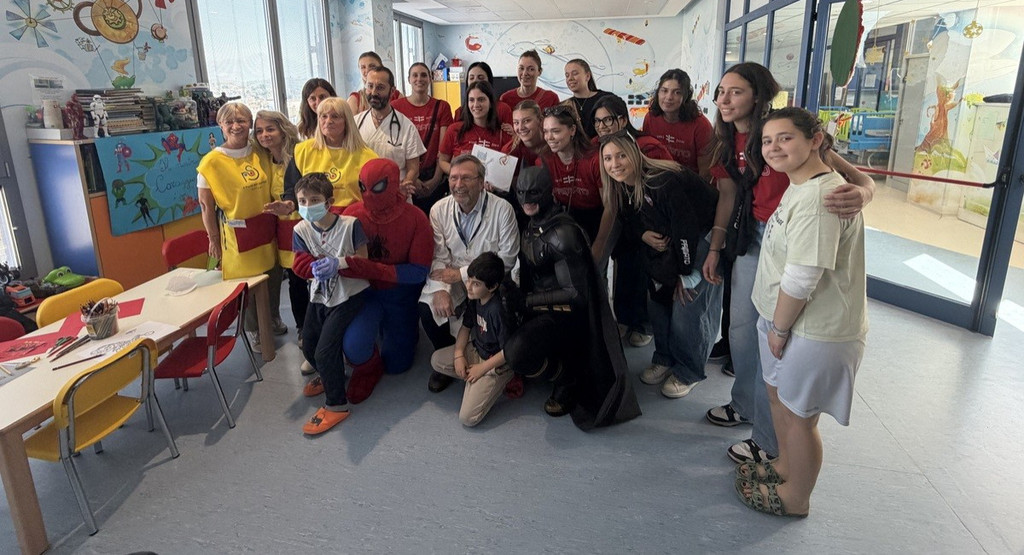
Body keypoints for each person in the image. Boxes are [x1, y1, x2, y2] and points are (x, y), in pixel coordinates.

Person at [702, 62, 875, 466]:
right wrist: (715, 246)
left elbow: (858, 179)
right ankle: (744, 405)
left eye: (735, 92)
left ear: (758, 96)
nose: (724, 100)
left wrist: (865, 194)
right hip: (754, 234)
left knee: (779, 336)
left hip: (794, 235)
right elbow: (728, 195)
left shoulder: (787, 132)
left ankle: (767, 439)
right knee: (744, 330)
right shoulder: (727, 140)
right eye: (721, 92)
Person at [735, 107, 867, 517]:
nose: (773, 147)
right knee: (780, 401)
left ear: (815, 140)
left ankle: (797, 497)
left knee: (800, 417)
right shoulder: (801, 183)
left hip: (812, 329)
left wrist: (778, 329)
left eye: (785, 137)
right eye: (767, 140)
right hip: (787, 322)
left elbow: (802, 277)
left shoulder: (820, 199)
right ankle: (785, 466)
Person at [503, 166, 640, 429]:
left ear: (548, 191)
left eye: (534, 192)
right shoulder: (530, 223)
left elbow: (574, 293)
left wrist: (527, 302)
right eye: (521, 192)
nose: (526, 199)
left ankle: (566, 377)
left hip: (566, 316)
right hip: (538, 304)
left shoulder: (562, 234)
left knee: (516, 352)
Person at [600, 132, 722, 399]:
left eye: (621, 155)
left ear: (635, 154)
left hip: (699, 237)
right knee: (657, 298)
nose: (615, 164)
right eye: (608, 158)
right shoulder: (622, 185)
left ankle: (688, 370)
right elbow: (630, 220)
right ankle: (664, 357)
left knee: (687, 303)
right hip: (667, 240)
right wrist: (642, 233)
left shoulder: (662, 181)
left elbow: (686, 230)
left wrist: (683, 273)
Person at [420, 154, 519, 393]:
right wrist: (441, 291)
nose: (458, 184)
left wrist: (463, 274)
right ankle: (449, 357)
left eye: (466, 178)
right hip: (450, 274)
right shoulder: (439, 209)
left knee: (496, 314)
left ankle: (491, 360)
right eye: (453, 178)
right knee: (428, 307)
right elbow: (439, 256)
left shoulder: (502, 209)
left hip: (490, 280)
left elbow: (507, 258)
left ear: (481, 181)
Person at [290, 173, 373, 435]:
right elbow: (299, 262)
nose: (307, 205)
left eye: (314, 200)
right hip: (321, 294)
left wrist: (340, 263)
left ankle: (337, 405)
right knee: (309, 344)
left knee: (325, 351)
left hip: (350, 293)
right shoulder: (300, 229)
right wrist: (311, 268)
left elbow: (364, 261)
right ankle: (330, 374)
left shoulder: (351, 225)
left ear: (329, 202)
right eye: (302, 201)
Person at [196, 102, 280, 352]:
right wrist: (213, 239)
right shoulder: (211, 162)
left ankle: (272, 318)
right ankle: (255, 330)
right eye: (229, 122)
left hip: (266, 225)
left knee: (273, 275)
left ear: (250, 123)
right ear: (220, 126)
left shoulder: (260, 151)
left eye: (242, 120)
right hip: (237, 231)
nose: (236, 126)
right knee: (248, 284)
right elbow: (206, 206)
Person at [591, 94, 671, 349]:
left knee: (642, 267)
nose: (602, 126)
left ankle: (643, 323)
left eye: (608, 120)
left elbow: (664, 189)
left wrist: (645, 229)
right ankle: (625, 318)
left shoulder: (647, 146)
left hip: (651, 216)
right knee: (624, 264)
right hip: (623, 215)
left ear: (623, 120)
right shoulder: (596, 146)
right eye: (597, 121)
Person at [340, 159, 433, 376]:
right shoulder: (352, 215)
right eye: (363, 187)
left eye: (377, 187)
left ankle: (405, 330)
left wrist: (373, 269)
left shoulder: (416, 219)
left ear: (393, 184)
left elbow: (419, 271)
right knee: (354, 349)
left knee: (397, 365)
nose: (369, 194)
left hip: (400, 295)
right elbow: (340, 258)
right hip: (363, 293)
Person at [429, 252, 517, 427]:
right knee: (436, 360)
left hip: (496, 362)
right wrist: (459, 355)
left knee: (467, 418)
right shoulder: (475, 299)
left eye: (476, 284)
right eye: (469, 280)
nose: (468, 287)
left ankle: (496, 379)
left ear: (492, 287)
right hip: (478, 349)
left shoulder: (498, 311)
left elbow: (508, 351)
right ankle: (474, 379)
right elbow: (466, 327)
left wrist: (481, 369)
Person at [252, 110, 304, 354]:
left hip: (302, 225)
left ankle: (311, 327)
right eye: (259, 131)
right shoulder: (262, 160)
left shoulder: (299, 154)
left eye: (270, 129)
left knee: (305, 278)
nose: (265, 135)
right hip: (280, 230)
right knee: (294, 281)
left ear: (283, 130)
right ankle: (301, 326)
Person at [284, 97, 378, 213]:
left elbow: (374, 196)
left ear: (347, 121)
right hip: (315, 218)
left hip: (353, 218)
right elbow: (292, 187)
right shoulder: (303, 150)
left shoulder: (368, 157)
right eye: (324, 116)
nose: (328, 121)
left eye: (335, 116)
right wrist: (290, 203)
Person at [540, 106, 610, 260]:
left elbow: (610, 207)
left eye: (555, 131)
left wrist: (599, 245)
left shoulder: (594, 159)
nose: (549, 137)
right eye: (545, 131)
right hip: (564, 220)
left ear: (572, 130)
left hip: (596, 218)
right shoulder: (545, 159)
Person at [354, 66, 426, 196]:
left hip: (396, 196)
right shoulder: (355, 123)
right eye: (370, 86)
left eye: (380, 87)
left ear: (392, 91)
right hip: (363, 195)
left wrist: (403, 189)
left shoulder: (406, 126)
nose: (373, 92)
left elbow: (414, 169)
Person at [393, 62, 454, 213]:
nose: (419, 79)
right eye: (415, 75)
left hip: (435, 175)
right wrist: (413, 178)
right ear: (408, 79)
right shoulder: (396, 107)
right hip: (407, 177)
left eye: (423, 75)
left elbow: (444, 148)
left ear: (430, 79)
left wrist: (436, 180)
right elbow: (396, 146)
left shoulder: (442, 107)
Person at [642, 69, 713, 177]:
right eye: (664, 91)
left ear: (686, 97)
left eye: (677, 92)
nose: (669, 97)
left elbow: (705, 172)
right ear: (658, 93)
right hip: (658, 179)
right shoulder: (650, 118)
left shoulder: (701, 125)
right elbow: (647, 157)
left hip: (692, 181)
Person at [438, 81, 510, 175]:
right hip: (460, 183)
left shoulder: (502, 133)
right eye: (471, 100)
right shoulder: (454, 129)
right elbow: (442, 160)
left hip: (491, 184)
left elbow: (506, 168)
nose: (476, 105)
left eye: (481, 99)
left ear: (491, 103)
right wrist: (458, 174)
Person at [454, 62, 514, 133]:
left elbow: (510, 136)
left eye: (481, 78)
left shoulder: (503, 109)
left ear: (489, 81)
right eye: (471, 78)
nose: (475, 81)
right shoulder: (459, 112)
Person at [564, 59, 613, 139]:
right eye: (567, 75)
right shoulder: (565, 106)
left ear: (587, 76)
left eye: (575, 74)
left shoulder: (607, 99)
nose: (570, 78)